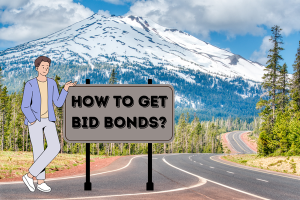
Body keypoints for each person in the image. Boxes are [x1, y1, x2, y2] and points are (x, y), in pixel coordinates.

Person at [21, 56, 77, 192]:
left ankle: (29, 175)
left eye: (47, 67)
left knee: (55, 147)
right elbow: (24, 106)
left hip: (49, 120)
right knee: (38, 151)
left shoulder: (52, 83)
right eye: (43, 67)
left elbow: (57, 103)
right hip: (35, 121)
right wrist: (32, 119)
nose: (45, 69)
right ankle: (40, 182)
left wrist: (65, 89)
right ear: (37, 68)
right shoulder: (30, 84)